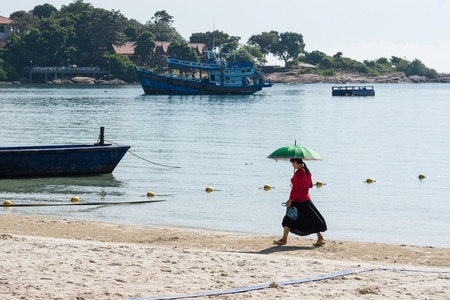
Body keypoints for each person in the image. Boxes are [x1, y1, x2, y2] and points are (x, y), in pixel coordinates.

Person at [273, 158, 327, 246]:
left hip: (298, 200)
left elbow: (297, 189)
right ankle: (320, 238)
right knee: (312, 218)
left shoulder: (298, 173)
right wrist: (295, 182)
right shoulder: (307, 171)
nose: (292, 165)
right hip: (306, 199)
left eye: (292, 164)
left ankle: (284, 239)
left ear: (295, 162)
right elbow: (310, 185)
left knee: (288, 219)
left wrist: (290, 199)